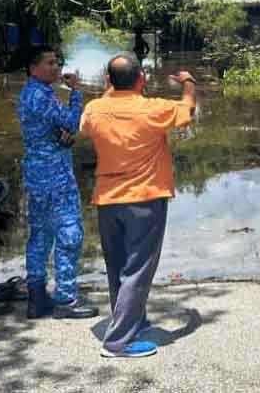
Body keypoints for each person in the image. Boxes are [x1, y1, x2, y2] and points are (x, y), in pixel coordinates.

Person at [78, 53, 196, 358]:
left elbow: (86, 126)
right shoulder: (152, 109)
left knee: (117, 267)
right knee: (138, 270)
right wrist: (188, 83)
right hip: (145, 199)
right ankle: (118, 343)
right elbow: (188, 110)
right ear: (141, 79)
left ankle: (133, 321)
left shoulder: (94, 108)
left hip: (108, 199)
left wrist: (111, 89)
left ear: (108, 80)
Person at [17, 45, 98, 320]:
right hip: (54, 175)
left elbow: (58, 129)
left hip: (38, 172)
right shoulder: (41, 95)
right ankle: (65, 297)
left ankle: (37, 295)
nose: (56, 68)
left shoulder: (31, 92)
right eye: (49, 63)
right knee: (69, 232)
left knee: (40, 234)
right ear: (33, 67)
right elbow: (73, 122)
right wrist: (76, 92)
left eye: (57, 62)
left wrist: (62, 136)